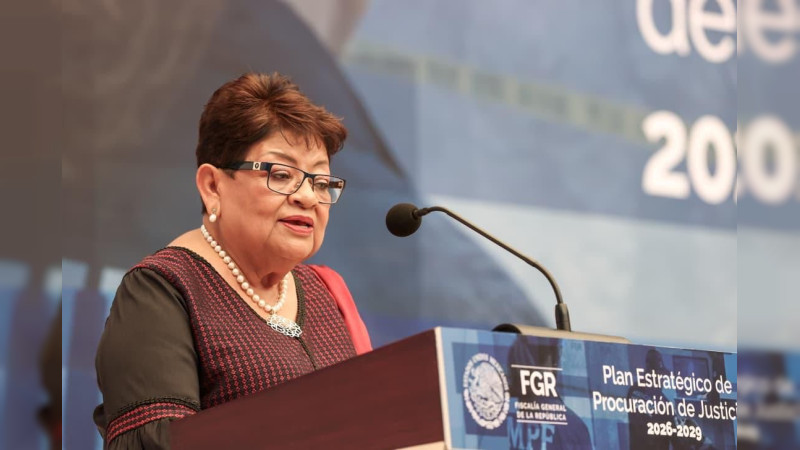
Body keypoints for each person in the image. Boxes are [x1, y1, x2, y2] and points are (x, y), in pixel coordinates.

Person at [93, 72, 371, 449]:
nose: (307, 197)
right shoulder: (161, 290)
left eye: (321, 182)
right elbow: (157, 443)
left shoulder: (327, 291)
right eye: (281, 174)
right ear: (213, 186)